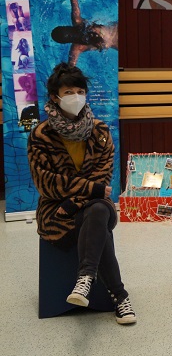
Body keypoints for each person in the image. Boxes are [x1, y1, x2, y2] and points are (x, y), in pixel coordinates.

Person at [28, 62, 136, 325]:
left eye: (80, 90)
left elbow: (103, 178)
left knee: (98, 210)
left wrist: (81, 197)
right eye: (68, 92)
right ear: (55, 97)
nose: (75, 97)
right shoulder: (41, 135)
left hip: (81, 205)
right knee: (97, 215)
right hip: (56, 213)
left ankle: (85, 279)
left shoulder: (100, 132)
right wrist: (91, 190)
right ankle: (119, 297)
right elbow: (45, 184)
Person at [51, 0, 118, 67]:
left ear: (65, 43)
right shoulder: (77, 20)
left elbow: (71, 68)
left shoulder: (77, 48)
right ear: (65, 27)